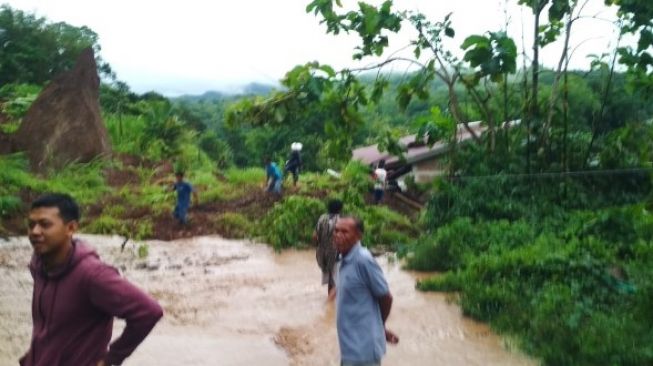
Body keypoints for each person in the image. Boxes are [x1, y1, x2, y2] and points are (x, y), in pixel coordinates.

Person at [20, 193, 163, 366]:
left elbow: (148, 312)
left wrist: (112, 359)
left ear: (71, 228)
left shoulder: (92, 274)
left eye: (45, 225)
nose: (35, 232)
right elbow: (54, 327)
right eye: (31, 225)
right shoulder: (40, 265)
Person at [333, 216, 399, 366]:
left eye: (345, 232)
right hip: (350, 348)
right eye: (336, 231)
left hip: (362, 351)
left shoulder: (363, 260)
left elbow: (386, 297)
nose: (338, 235)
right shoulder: (344, 259)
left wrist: (380, 327)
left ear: (358, 236)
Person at [312, 199, 343, 296]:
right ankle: (332, 303)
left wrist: (318, 246)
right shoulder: (340, 220)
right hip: (335, 253)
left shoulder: (322, 218)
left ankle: (330, 299)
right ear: (340, 209)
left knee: (330, 277)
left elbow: (314, 236)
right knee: (336, 278)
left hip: (322, 253)